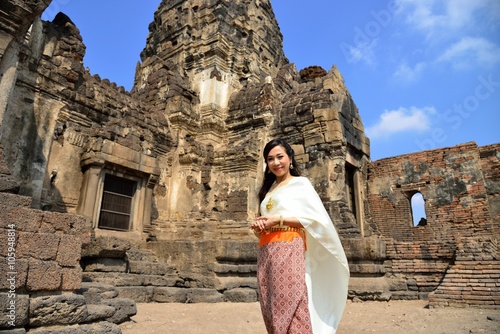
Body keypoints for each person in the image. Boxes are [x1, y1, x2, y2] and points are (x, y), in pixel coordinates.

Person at [250, 138, 350, 334]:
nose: (276, 163)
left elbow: (315, 220)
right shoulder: (267, 192)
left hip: (289, 249)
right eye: (270, 159)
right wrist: (259, 225)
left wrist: (277, 220)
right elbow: (267, 221)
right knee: (269, 303)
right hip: (266, 252)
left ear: (290, 158)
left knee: (291, 300)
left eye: (280, 157)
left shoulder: (300, 184)